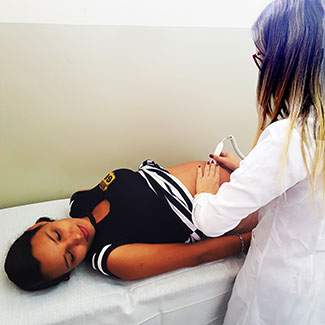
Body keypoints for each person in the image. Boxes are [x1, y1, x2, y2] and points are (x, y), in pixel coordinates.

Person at [193, 0, 325, 323]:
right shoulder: (316, 129)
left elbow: (211, 222)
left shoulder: (286, 136)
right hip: (310, 286)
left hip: (272, 294)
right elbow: (304, 186)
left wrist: (203, 194)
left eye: (261, 57)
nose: (259, 64)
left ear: (282, 63)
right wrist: (246, 169)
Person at [5, 159, 257, 291]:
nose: (74, 239)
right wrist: (255, 235)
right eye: (70, 256)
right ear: (69, 272)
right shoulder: (113, 257)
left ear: (36, 226)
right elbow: (197, 255)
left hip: (241, 174)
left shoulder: (78, 203)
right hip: (239, 208)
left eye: (56, 235)